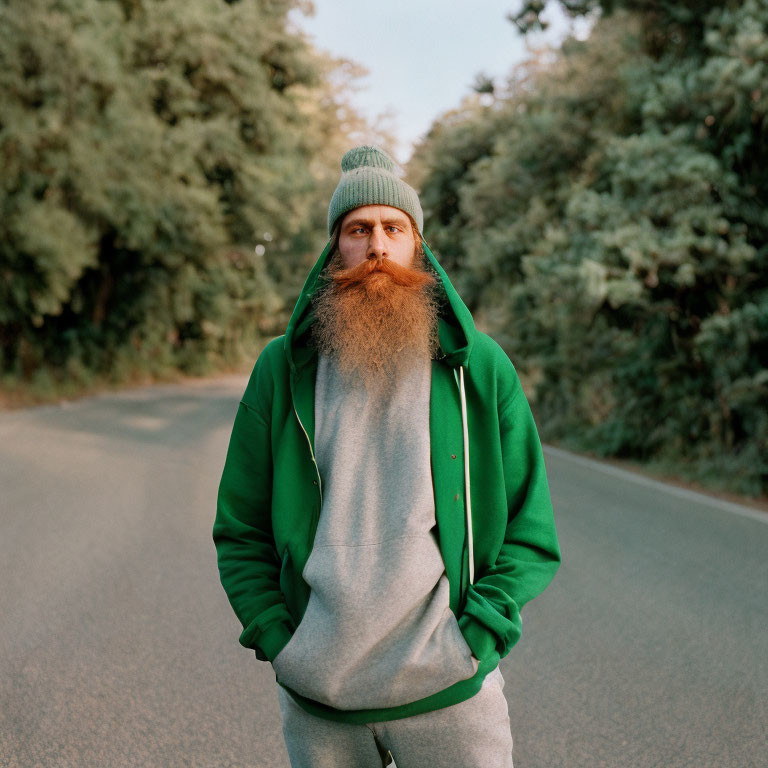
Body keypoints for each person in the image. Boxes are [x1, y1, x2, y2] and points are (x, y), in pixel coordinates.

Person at [212, 145, 562, 768]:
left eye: (393, 228)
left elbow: (531, 531)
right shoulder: (281, 370)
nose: (377, 245)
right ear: (334, 248)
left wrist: (476, 638)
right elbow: (239, 528)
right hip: (323, 698)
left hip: (449, 688)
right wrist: (282, 641)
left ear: (417, 245)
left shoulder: (477, 368)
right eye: (358, 229)